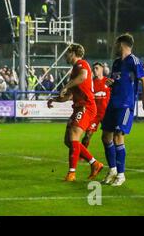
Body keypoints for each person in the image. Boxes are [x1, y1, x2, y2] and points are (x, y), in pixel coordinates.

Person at [101, 34, 144, 186]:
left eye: (116, 44)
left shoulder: (134, 61)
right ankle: (112, 170)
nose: (114, 47)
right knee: (105, 137)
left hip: (125, 106)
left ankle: (121, 175)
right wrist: (111, 82)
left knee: (118, 136)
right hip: (112, 104)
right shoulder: (116, 63)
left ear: (122, 44)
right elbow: (118, 81)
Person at [47, 44, 104, 182]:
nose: (66, 55)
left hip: (86, 106)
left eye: (67, 53)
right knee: (69, 140)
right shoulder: (74, 71)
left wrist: (66, 86)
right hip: (79, 107)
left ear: (73, 53)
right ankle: (94, 163)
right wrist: (55, 99)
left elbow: (83, 77)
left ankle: (71, 173)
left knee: (74, 135)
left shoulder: (81, 64)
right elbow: (70, 95)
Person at [81, 62, 111, 148]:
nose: (95, 70)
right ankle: (82, 155)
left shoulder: (108, 81)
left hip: (106, 114)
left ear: (102, 69)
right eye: (93, 68)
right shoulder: (91, 83)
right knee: (88, 135)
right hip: (95, 114)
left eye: (97, 68)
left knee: (109, 137)